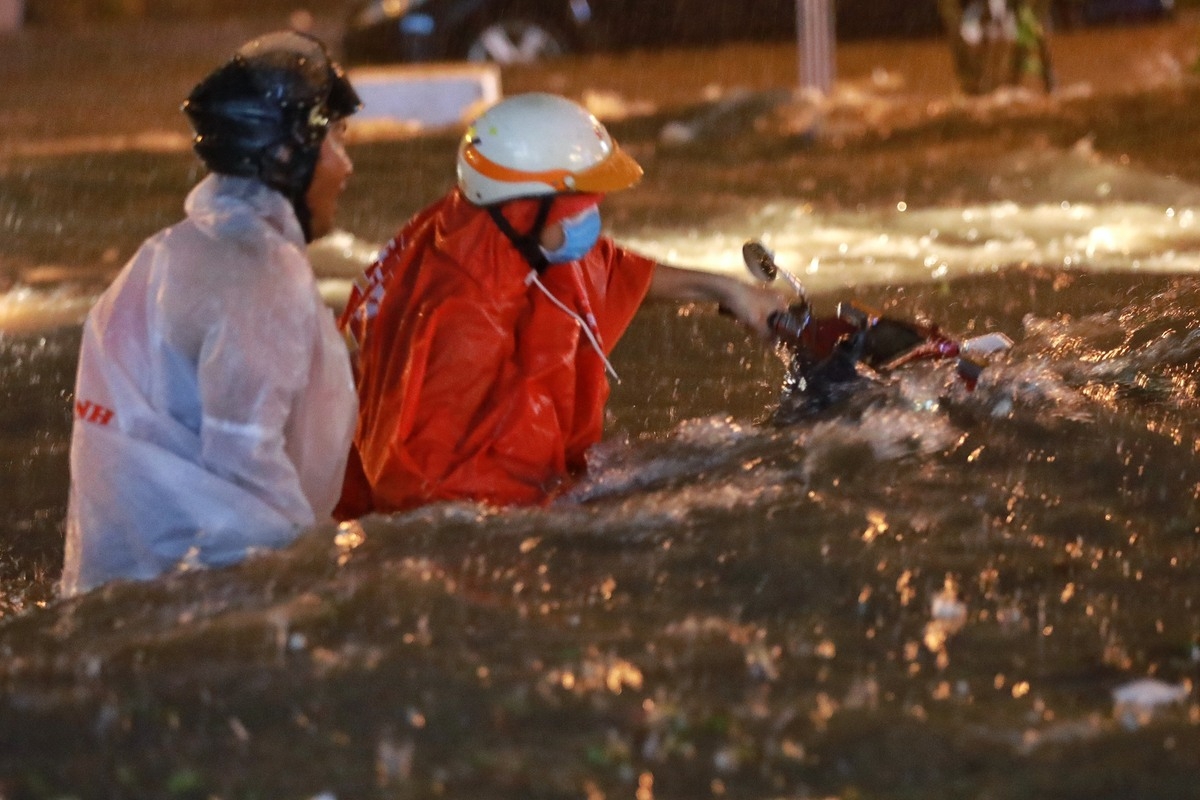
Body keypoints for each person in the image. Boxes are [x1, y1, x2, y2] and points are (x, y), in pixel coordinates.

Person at [336, 92, 786, 517]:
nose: (592, 218)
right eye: (580, 204)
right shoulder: (459, 316)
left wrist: (726, 290)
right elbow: (425, 497)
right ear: (526, 208)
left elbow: (608, 269)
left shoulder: (494, 228)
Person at [60, 31, 362, 596]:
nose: (346, 166)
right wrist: (322, 583)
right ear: (286, 155)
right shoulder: (260, 273)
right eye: (337, 142)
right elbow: (249, 468)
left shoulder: (170, 251)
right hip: (209, 593)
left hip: (121, 579)